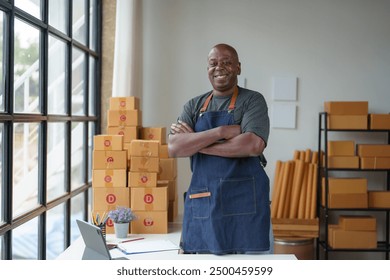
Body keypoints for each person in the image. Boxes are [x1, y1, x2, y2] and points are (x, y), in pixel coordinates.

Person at [168, 43, 272, 254]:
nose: (219, 67)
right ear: (207, 69)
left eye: (226, 62)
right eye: (213, 63)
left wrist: (196, 143)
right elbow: (174, 148)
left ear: (238, 68)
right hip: (204, 201)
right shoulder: (193, 105)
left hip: (245, 204)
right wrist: (221, 132)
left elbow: (252, 145)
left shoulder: (252, 100)